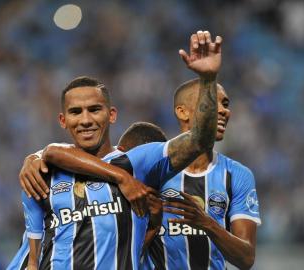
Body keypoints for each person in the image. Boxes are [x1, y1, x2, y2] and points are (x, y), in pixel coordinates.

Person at [19, 30, 222, 269]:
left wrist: (208, 80)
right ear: (63, 120)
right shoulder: (42, 172)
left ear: (111, 114)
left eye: (94, 109)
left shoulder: (140, 162)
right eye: (76, 112)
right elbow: (33, 260)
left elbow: (201, 138)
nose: (85, 120)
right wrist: (121, 178)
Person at [6, 121, 168, 270]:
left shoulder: (145, 201)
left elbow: (124, 253)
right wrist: (37, 157)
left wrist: (152, 226)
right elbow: (57, 152)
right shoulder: (69, 171)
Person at [143, 79, 261, 270]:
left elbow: (246, 258)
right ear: (182, 112)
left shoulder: (237, 174)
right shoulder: (151, 168)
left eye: (226, 104)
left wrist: (207, 223)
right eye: (213, 103)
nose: (223, 111)